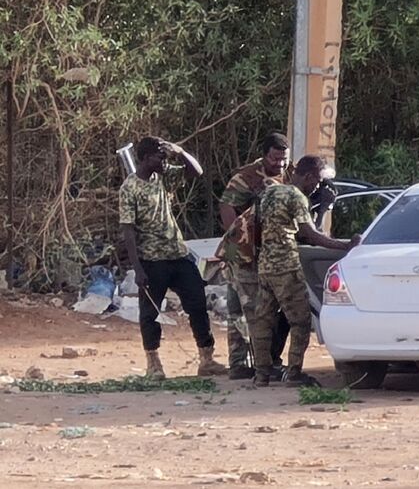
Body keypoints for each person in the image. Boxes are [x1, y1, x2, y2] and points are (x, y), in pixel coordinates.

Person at [119, 137, 227, 380]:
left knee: (198, 304)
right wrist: (137, 268)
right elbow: (128, 230)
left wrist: (179, 151)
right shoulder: (130, 188)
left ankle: (206, 358)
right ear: (146, 159)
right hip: (151, 259)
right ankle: (153, 364)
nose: (163, 160)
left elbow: (196, 171)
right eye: (159, 156)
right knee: (150, 313)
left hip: (177, 253)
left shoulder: (163, 176)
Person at [251, 155, 358, 387]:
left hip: (265, 265)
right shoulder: (297, 197)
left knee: (263, 321)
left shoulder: (270, 192)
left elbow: (258, 226)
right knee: (299, 321)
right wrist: (346, 246)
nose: (318, 186)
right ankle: (294, 372)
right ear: (309, 176)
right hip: (286, 266)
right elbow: (311, 234)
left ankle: (261, 374)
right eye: (318, 181)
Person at [218, 133, 292, 380]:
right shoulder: (247, 177)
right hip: (242, 252)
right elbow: (226, 205)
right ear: (264, 155)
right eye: (274, 159)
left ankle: (250, 362)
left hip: (265, 251)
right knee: (245, 308)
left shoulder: (289, 174)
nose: (279, 164)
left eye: (283, 159)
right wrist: (238, 234)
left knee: (249, 307)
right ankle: (243, 363)